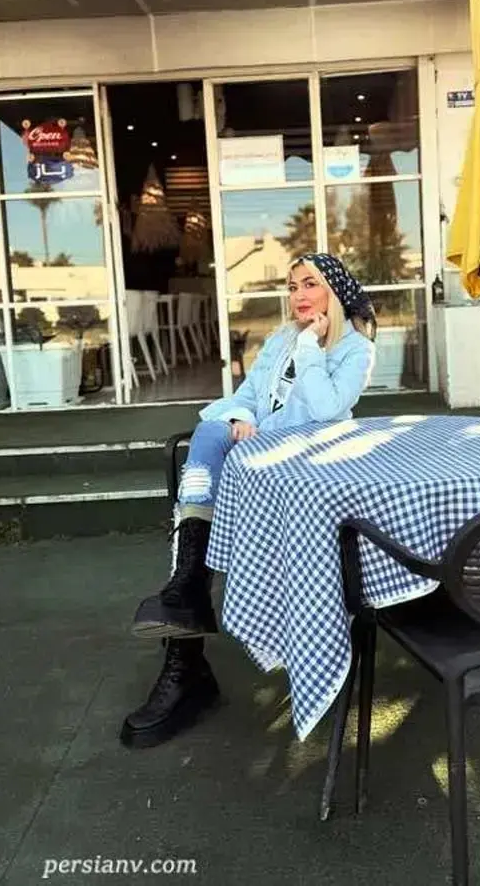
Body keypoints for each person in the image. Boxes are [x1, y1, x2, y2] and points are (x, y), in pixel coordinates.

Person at [120, 253, 377, 749]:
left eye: (310, 284)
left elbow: (327, 410)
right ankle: (186, 595)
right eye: (292, 286)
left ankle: (188, 616)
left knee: (212, 481)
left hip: (304, 470)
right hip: (256, 457)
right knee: (210, 433)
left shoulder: (355, 349)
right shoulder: (280, 339)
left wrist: (310, 347)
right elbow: (249, 395)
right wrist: (243, 418)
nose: (299, 295)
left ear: (334, 292)